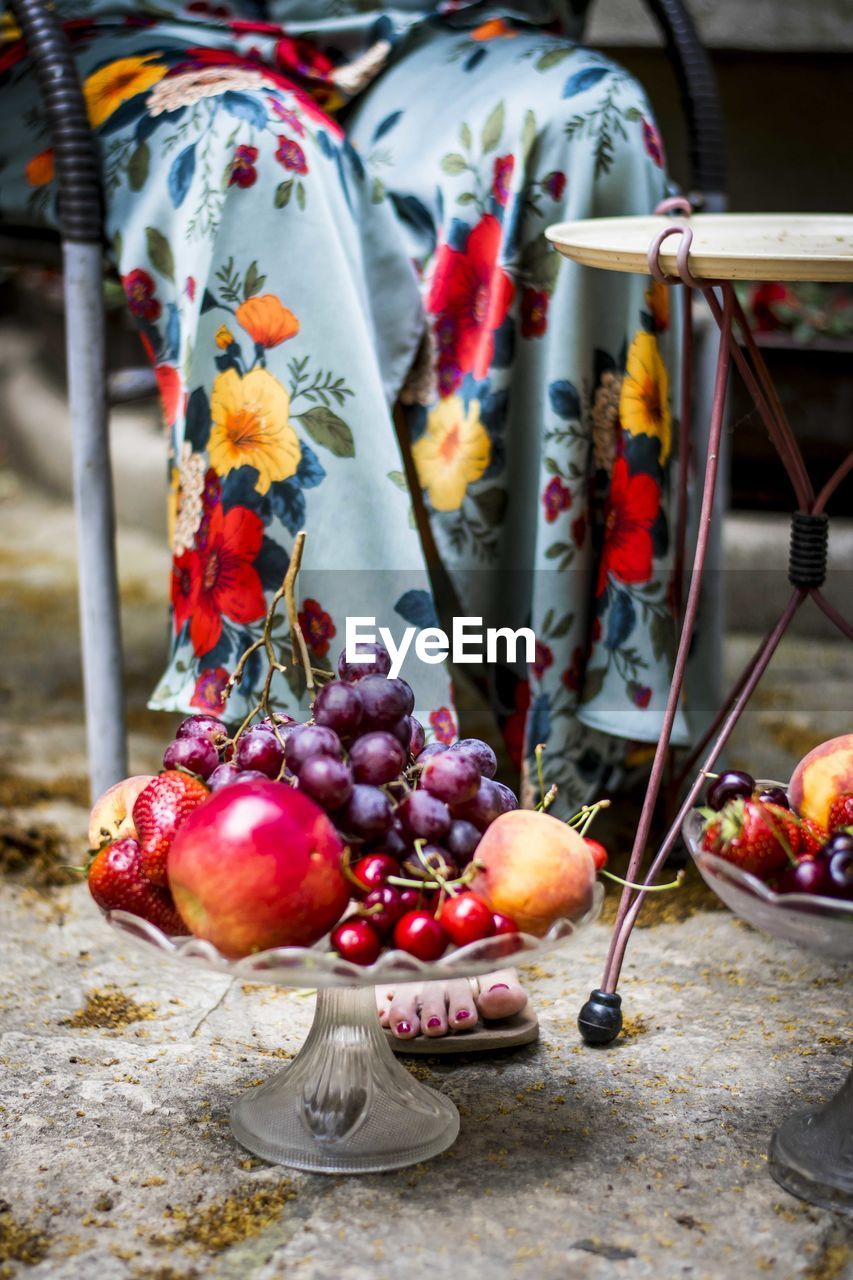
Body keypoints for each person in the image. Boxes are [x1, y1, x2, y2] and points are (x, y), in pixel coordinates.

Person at [1, 0, 682, 1041]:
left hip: (397, 31)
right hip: (117, 36)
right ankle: (351, 845)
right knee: (255, 149)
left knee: (586, 118)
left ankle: (542, 777)